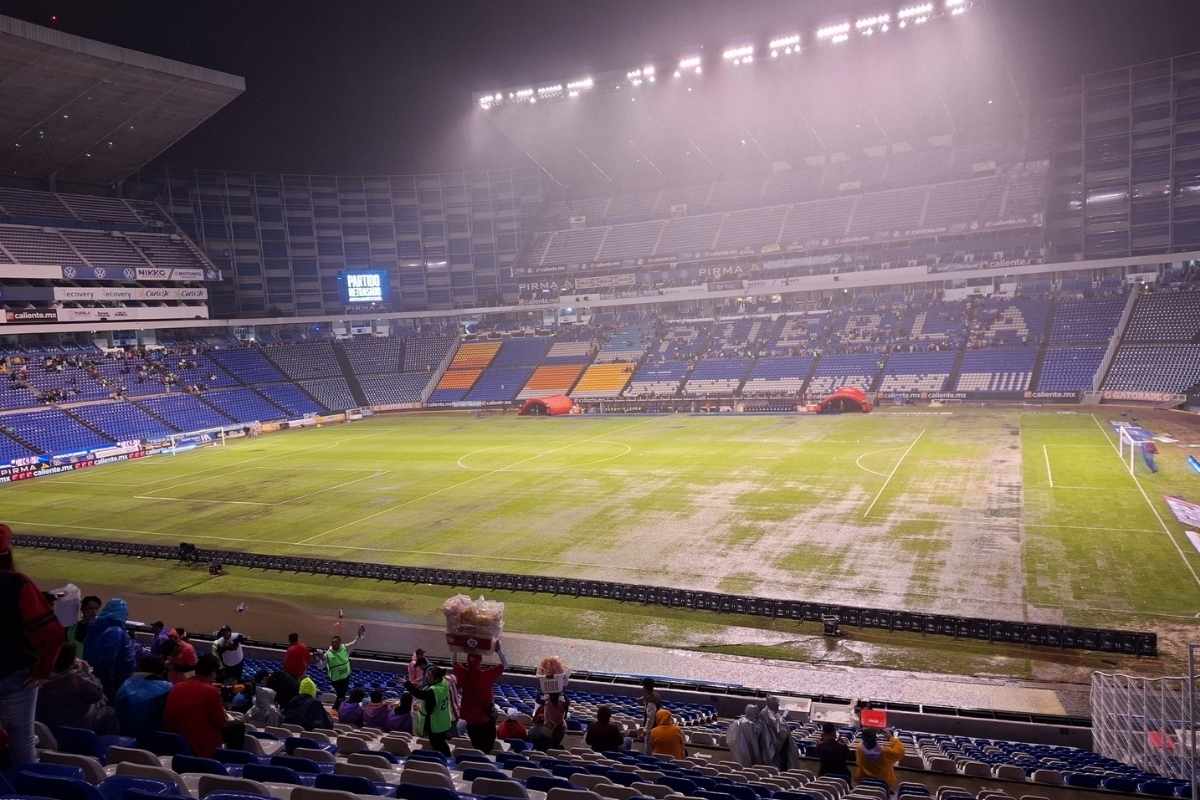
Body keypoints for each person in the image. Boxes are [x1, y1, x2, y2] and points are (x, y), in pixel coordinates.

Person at [0, 523, 66, 766]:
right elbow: (52, 633)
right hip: (15, 674)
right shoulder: (17, 583)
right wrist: (42, 670)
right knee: (22, 740)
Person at [36, 642, 117, 734]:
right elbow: (97, 693)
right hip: (79, 728)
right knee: (110, 712)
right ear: (71, 660)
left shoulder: (37, 679)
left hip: (48, 727)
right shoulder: (78, 681)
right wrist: (87, 673)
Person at [163, 654, 227, 758]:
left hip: (176, 745)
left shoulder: (177, 687)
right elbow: (220, 722)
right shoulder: (211, 692)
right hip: (202, 750)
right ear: (213, 672)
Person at [451, 645, 507, 753]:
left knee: (476, 745)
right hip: (485, 718)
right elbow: (505, 665)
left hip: (470, 719)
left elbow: (453, 663)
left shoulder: (463, 674)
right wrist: (498, 651)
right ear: (480, 661)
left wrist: (456, 650)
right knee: (487, 746)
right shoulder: (486, 675)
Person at [82, 597, 137, 700]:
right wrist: (110, 689)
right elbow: (107, 662)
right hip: (110, 687)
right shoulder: (115, 631)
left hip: (95, 680)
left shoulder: (96, 628)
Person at [114, 655, 172, 740]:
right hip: (153, 740)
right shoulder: (168, 689)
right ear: (163, 671)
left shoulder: (124, 685)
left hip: (122, 736)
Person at [404, 666, 454, 757]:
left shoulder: (433, 690)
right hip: (444, 719)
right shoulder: (444, 683)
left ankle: (445, 758)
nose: (427, 678)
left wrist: (407, 685)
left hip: (436, 723)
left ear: (436, 678)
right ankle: (446, 756)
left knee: (438, 744)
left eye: (430, 677)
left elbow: (421, 695)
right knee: (442, 742)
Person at [854, 728, 905, 794]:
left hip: (864, 779)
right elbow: (900, 751)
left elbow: (858, 762)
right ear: (876, 738)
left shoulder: (859, 749)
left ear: (863, 738)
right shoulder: (885, 752)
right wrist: (890, 737)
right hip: (884, 781)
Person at [323, 628, 363, 709]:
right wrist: (318, 659)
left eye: (336, 642)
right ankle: (340, 709)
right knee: (341, 695)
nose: (334, 643)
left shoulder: (345, 648)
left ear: (339, 643)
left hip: (345, 676)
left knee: (341, 695)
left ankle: (338, 709)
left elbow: (354, 643)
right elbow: (321, 666)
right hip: (335, 679)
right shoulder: (327, 654)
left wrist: (358, 636)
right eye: (333, 642)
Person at [762, 696, 802, 770]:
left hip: (781, 746)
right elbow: (779, 731)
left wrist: (782, 718)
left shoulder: (774, 713)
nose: (778, 706)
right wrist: (782, 720)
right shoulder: (765, 715)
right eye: (777, 705)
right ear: (772, 705)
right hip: (775, 748)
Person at [641, 678, 663, 753]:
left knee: (648, 751)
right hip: (656, 727)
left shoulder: (651, 701)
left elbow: (650, 718)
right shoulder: (656, 695)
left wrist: (646, 730)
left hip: (652, 730)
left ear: (645, 687)